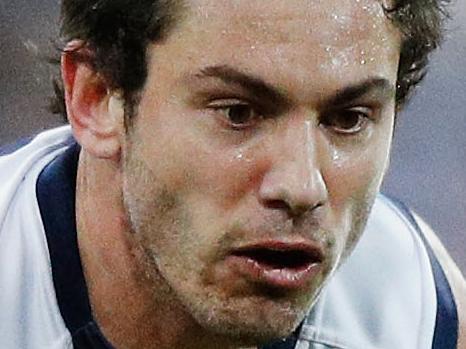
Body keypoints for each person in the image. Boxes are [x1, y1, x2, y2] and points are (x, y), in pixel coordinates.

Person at [0, 0, 465, 348]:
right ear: (98, 97)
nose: (302, 187)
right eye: (239, 113)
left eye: (348, 119)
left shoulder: (412, 309)